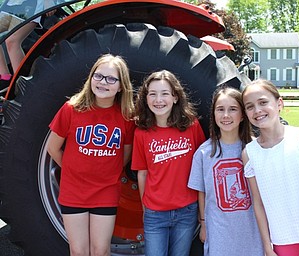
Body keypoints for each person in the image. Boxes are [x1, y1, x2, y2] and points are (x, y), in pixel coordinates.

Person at [47, 53, 135, 256]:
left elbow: (126, 154)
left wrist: (107, 171)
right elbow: (53, 148)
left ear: (121, 86)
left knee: (101, 250)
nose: (103, 83)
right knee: (78, 251)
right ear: (91, 78)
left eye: (111, 79)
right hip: (74, 190)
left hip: (105, 190)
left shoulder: (126, 116)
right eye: (98, 76)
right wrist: (72, 170)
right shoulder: (71, 109)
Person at [241, 79, 299, 256]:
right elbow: (258, 203)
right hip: (281, 238)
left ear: (279, 104)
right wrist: (267, 246)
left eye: (263, 102)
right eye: (250, 106)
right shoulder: (250, 153)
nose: (257, 110)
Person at [131, 70, 206, 256]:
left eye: (165, 94)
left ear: (175, 97)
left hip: (186, 210)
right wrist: (145, 207)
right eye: (152, 94)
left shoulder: (191, 126)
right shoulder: (142, 132)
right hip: (155, 213)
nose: (159, 100)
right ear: (145, 98)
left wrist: (202, 212)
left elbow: (201, 167)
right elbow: (142, 173)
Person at [188, 86, 264, 256]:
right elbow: (202, 191)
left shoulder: (256, 149)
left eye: (233, 109)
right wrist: (203, 223)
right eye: (220, 109)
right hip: (218, 231)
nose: (226, 115)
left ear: (242, 115)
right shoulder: (204, 152)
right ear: (214, 114)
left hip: (252, 230)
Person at [0, 0, 56, 92]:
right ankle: (5, 78)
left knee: (12, 41)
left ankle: (23, 83)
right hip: (12, 4)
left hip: (31, 4)